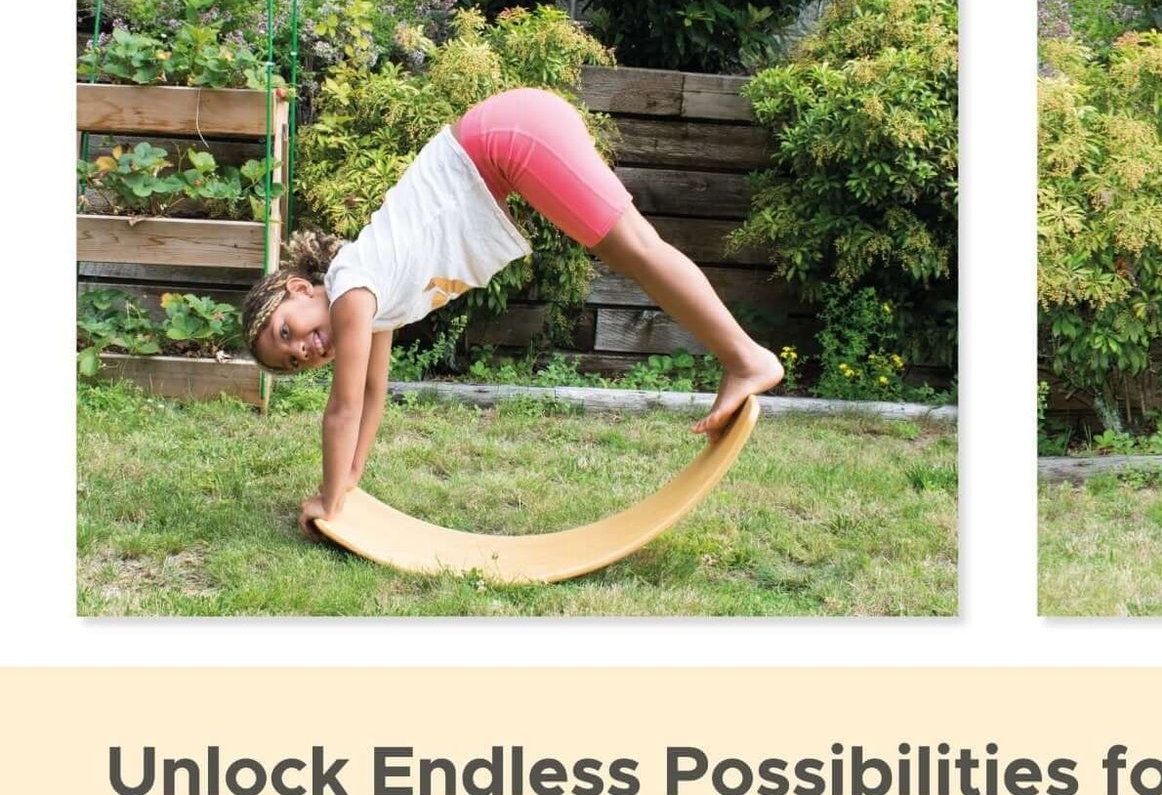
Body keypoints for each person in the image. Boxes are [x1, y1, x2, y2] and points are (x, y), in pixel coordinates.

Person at [238, 87, 784, 537]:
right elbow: (375, 391)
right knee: (635, 246)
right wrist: (352, 477)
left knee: (634, 249)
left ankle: (745, 358)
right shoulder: (374, 298)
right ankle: (743, 357)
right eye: (291, 361)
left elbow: (344, 406)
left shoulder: (352, 292)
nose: (303, 349)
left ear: (301, 288)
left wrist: (329, 500)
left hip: (508, 139)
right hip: (508, 137)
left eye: (289, 331)